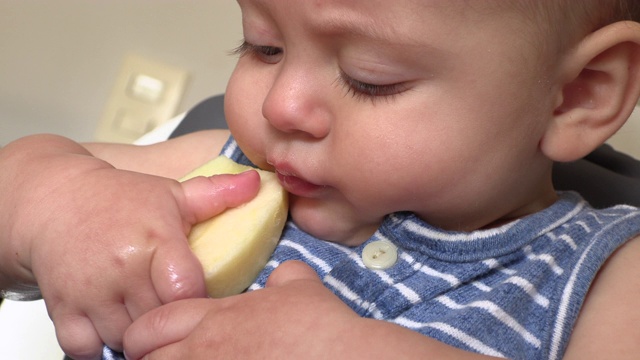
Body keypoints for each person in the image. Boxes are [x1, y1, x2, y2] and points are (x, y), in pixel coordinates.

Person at [2, 0, 640, 359]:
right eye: (263, 47)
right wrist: (57, 201)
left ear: (577, 95)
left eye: (371, 77)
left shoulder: (612, 277)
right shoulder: (224, 176)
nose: (280, 105)